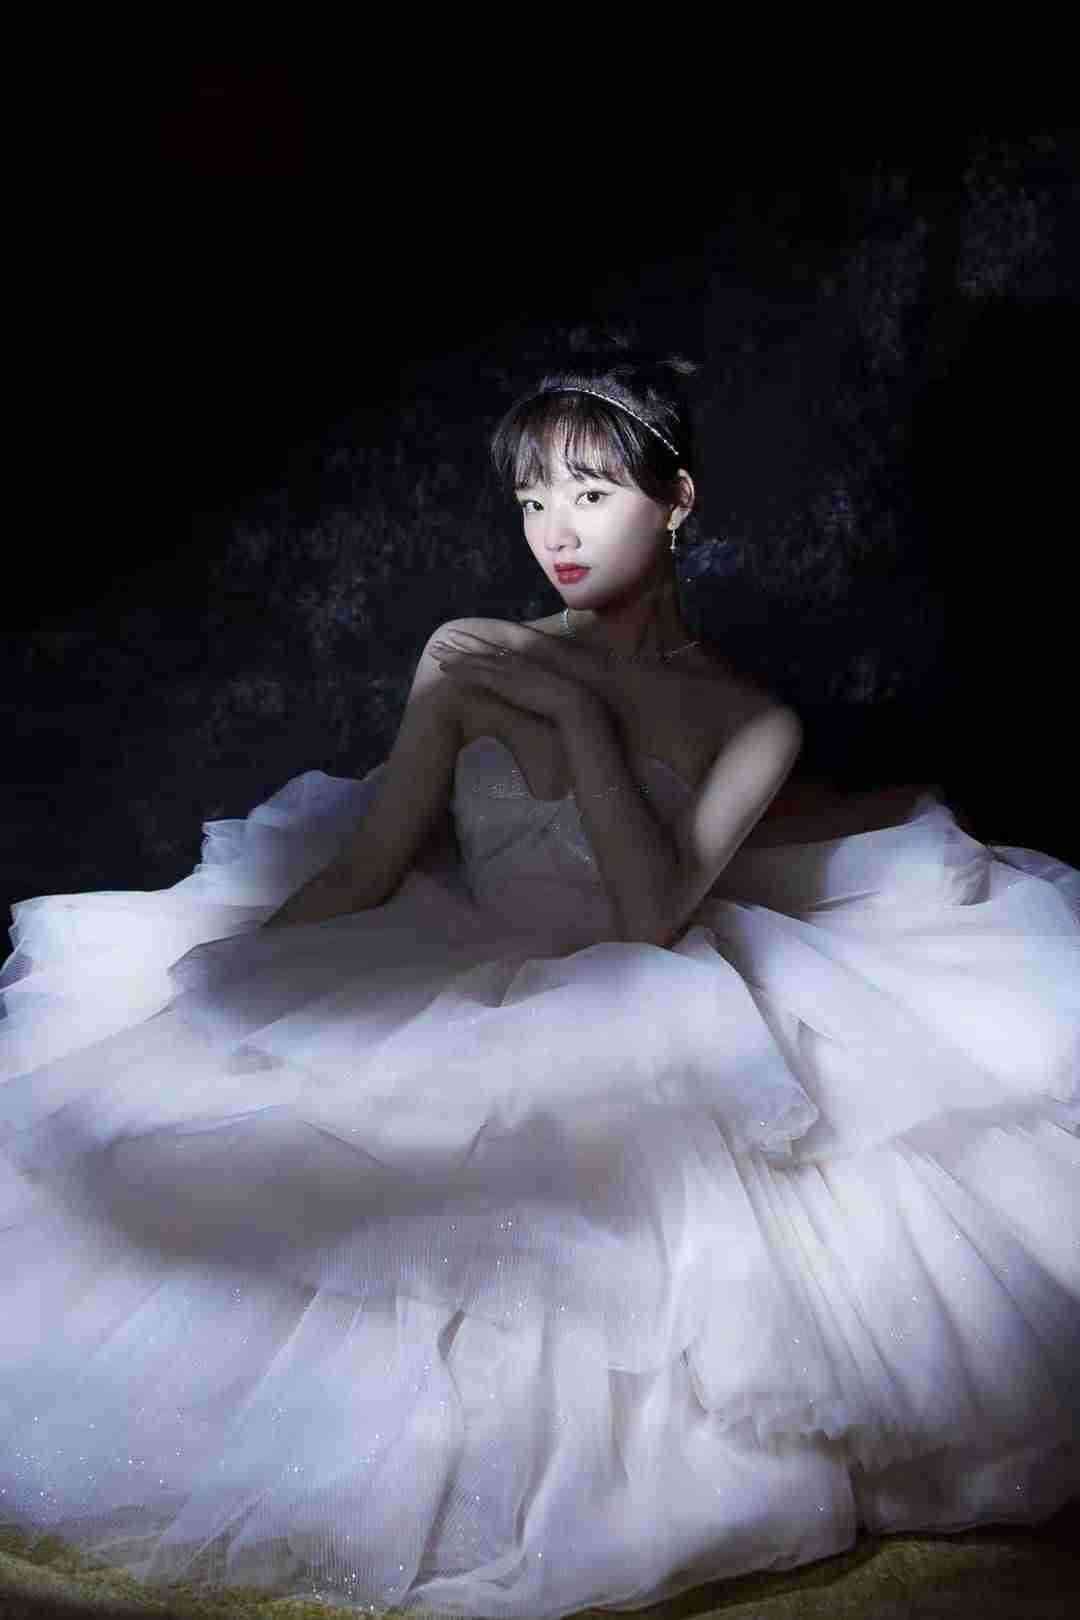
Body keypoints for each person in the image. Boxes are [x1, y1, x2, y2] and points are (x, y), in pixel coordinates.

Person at [1, 347, 1078, 1620]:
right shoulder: (471, 659)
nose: (555, 532)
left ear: (677, 502)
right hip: (462, 963)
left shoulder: (749, 718)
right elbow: (369, 865)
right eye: (532, 500)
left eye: (592, 494)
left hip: (642, 991)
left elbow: (648, 914)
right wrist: (224, 989)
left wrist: (577, 720)